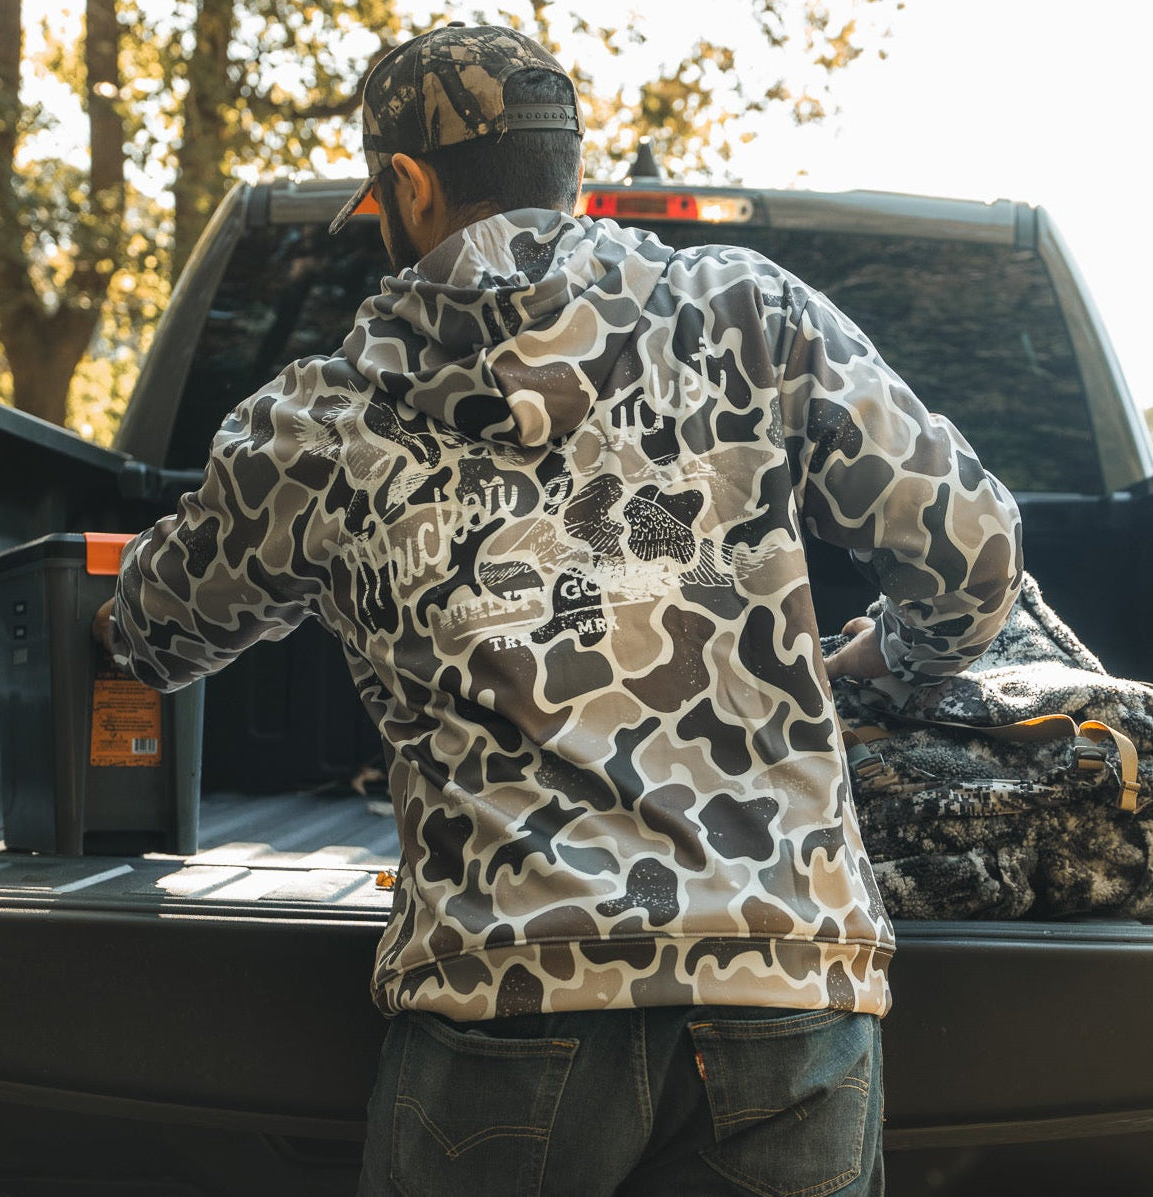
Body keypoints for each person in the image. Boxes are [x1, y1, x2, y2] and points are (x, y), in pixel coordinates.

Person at [95, 23, 1022, 1195]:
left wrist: (94, 626)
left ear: (411, 186)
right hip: (781, 982)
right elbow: (977, 556)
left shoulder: (317, 424)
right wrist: (882, 651)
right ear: (568, 170)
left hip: (504, 996)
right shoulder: (749, 313)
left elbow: (159, 629)